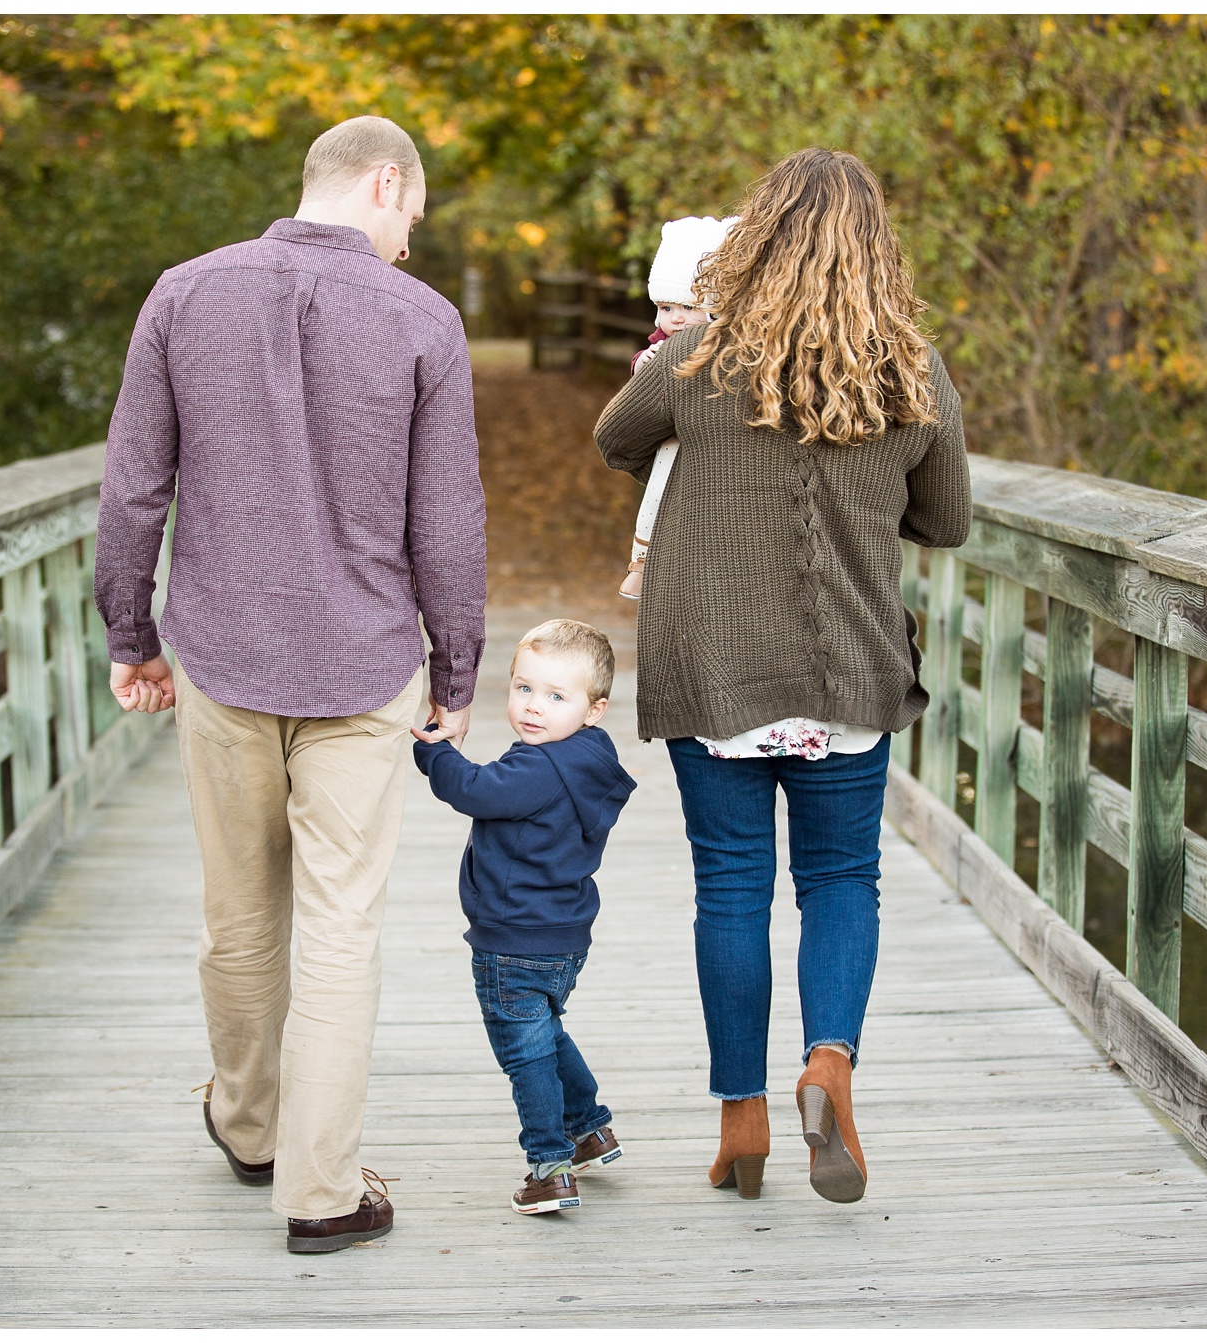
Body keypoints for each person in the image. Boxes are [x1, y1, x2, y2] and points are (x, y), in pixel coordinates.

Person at [93, 115, 487, 1254]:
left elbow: (132, 489)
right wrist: (456, 667)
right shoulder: (424, 322)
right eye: (412, 209)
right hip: (364, 666)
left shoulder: (182, 294)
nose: (410, 236)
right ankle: (318, 1189)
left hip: (221, 651)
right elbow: (445, 519)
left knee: (238, 914)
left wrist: (132, 633)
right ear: (381, 180)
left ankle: (250, 1124)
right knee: (340, 925)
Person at [594, 148, 971, 1205]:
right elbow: (944, 519)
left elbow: (615, 435)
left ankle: (741, 1123)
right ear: (875, 246)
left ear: (753, 237)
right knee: (840, 879)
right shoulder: (913, 369)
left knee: (730, 887)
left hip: (713, 663)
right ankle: (828, 1065)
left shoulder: (701, 357)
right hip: (847, 668)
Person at [412, 619, 636, 1215]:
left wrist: (433, 754)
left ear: (595, 708)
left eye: (556, 697)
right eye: (523, 689)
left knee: (523, 1050)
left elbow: (478, 791)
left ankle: (549, 1163)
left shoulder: (538, 768)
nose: (534, 708)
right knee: (544, 1032)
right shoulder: (591, 756)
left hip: (513, 936)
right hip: (565, 934)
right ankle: (588, 1127)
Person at [618, 214, 737, 602]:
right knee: (657, 491)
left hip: (709, 433)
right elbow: (641, 369)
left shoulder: (726, 342)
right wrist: (643, 363)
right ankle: (641, 560)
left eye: (687, 306)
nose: (675, 318)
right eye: (666, 307)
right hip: (669, 432)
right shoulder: (663, 341)